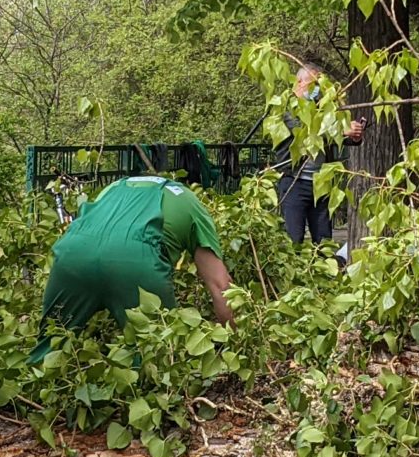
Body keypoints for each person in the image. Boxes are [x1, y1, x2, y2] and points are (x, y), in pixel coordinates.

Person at [41, 174, 234, 335]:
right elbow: (220, 285)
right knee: (158, 352)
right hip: (137, 258)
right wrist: (238, 342)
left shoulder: (112, 188)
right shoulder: (190, 201)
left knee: (54, 338)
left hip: (72, 252)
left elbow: (101, 249)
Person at [275, 64, 367, 247]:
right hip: (294, 182)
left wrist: (355, 135)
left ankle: (324, 273)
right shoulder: (287, 106)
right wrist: (341, 131)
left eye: (320, 85)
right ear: (299, 82)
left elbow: (336, 136)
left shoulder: (323, 108)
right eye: (313, 84)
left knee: (324, 241)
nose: (316, 90)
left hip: (321, 184)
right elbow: (305, 132)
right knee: (294, 240)